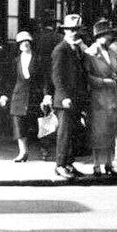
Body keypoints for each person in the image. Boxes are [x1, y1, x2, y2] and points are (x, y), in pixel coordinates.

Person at [49, 14, 90, 178]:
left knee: (72, 132)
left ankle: (69, 163)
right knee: (64, 133)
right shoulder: (61, 49)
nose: (74, 33)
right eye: (71, 29)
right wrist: (64, 96)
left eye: (77, 30)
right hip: (65, 99)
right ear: (65, 30)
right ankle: (60, 164)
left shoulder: (76, 49)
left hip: (75, 98)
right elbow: (56, 76)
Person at [0, 30, 47, 163]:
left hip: (35, 96)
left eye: (27, 42)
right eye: (21, 42)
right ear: (18, 46)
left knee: (38, 125)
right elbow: (9, 80)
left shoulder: (39, 59)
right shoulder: (15, 61)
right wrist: (4, 95)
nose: (25, 44)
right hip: (18, 96)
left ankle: (44, 151)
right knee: (19, 124)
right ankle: (23, 152)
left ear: (31, 43)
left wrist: (46, 95)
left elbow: (45, 79)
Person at [85, 19, 117, 176]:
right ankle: (96, 165)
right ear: (98, 36)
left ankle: (109, 163)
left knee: (111, 130)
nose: (109, 38)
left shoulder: (112, 52)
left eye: (109, 35)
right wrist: (104, 81)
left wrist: (116, 75)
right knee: (98, 132)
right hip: (98, 97)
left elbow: (115, 70)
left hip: (112, 97)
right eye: (106, 35)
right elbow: (87, 76)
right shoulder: (90, 54)